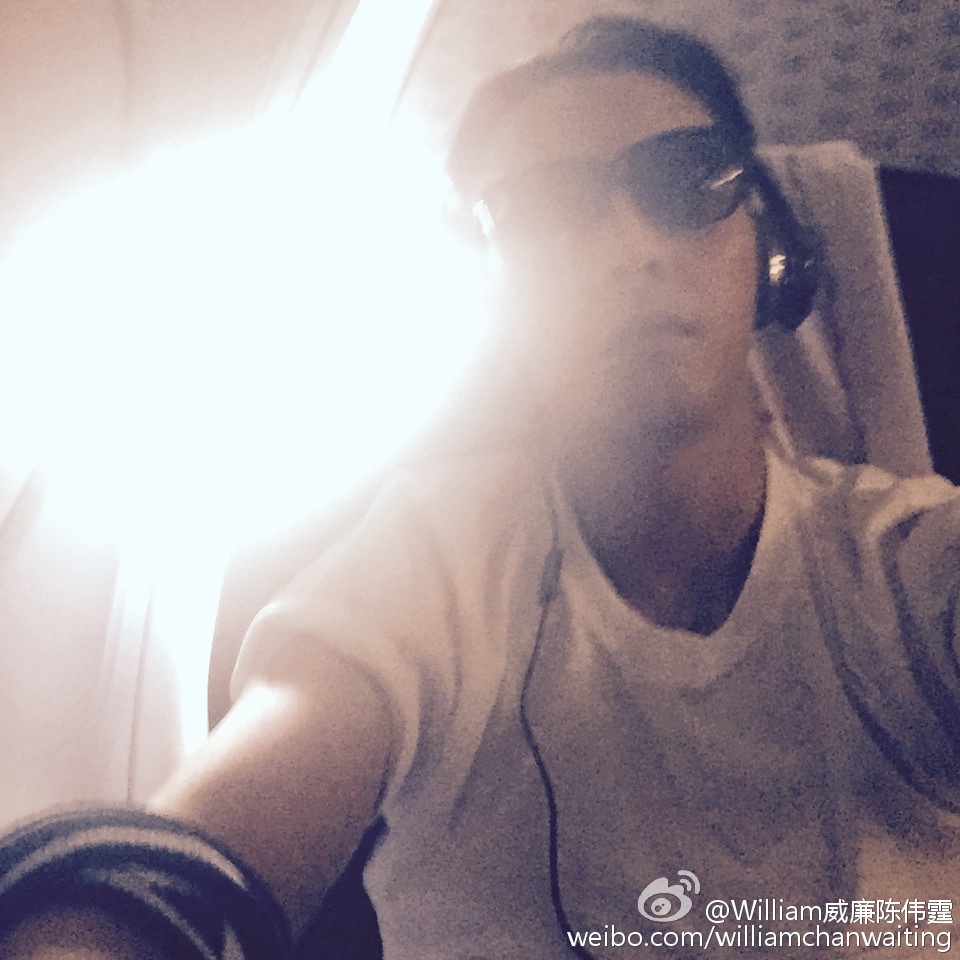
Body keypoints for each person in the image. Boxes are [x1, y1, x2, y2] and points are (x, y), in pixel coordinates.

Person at [2, 15, 960, 960]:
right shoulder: (429, 562)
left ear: (772, 249)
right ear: (496, 292)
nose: (632, 247)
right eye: (545, 208)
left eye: (686, 180)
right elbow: (237, 809)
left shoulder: (901, 560)